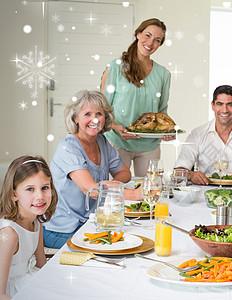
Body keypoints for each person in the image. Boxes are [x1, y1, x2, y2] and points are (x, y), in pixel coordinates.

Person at [43, 90, 142, 249]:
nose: (94, 119)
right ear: (75, 118)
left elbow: (125, 173)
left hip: (92, 223)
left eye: (99, 114)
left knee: (134, 239)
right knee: (117, 247)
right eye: (87, 114)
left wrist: (110, 186)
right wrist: (135, 194)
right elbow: (91, 190)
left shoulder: (102, 141)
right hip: (63, 229)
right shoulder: (67, 148)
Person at [100, 18, 171, 177]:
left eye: (157, 40)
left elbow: (161, 111)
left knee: (147, 192)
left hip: (149, 146)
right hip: (117, 142)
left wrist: (166, 131)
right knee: (117, 191)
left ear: (160, 44)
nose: (150, 43)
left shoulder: (163, 74)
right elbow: (102, 109)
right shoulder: (115, 67)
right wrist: (118, 128)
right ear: (138, 34)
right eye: (147, 35)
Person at [0, 156, 58, 299]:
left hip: (29, 279)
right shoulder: (9, 234)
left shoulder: (36, 223)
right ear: (14, 194)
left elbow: (41, 265)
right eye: (30, 189)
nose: (40, 196)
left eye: (45, 188)